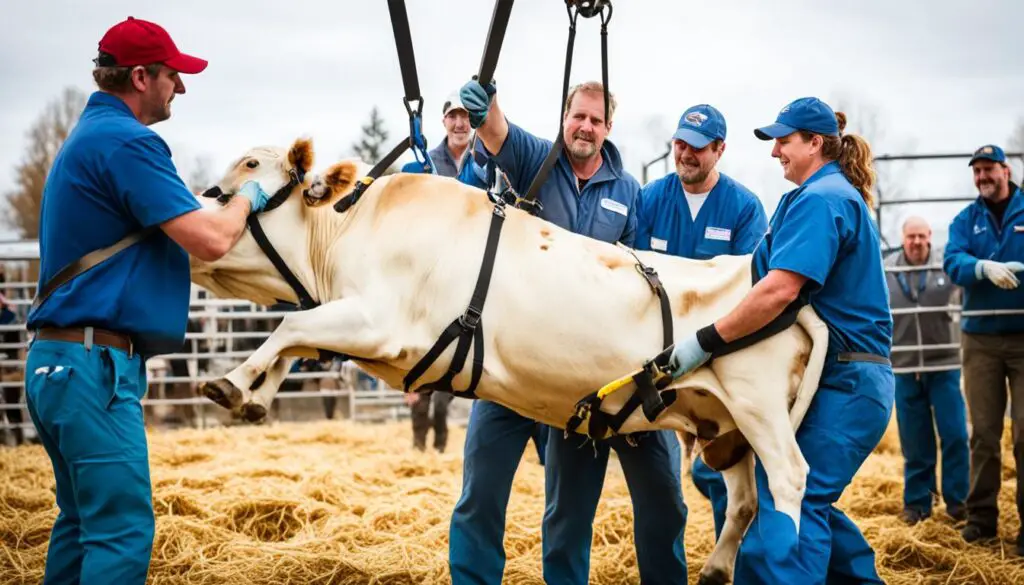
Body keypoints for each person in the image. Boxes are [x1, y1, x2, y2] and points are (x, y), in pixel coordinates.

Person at [24, 17, 272, 585]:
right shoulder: (129, 142)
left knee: (81, 523)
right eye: (172, 75)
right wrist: (246, 201)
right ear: (139, 76)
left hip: (56, 364)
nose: (179, 87)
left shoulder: (87, 137)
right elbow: (210, 239)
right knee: (122, 532)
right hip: (95, 366)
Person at [449, 78, 687, 585]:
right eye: (578, 116)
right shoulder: (538, 159)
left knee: (572, 508)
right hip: (509, 358)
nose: (585, 127)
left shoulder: (627, 191)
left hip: (579, 373)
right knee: (482, 492)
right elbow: (496, 131)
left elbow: (636, 272)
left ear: (608, 128)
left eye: (596, 120)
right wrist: (485, 101)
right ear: (564, 117)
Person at [666, 97, 894, 583]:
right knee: (787, 487)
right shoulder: (813, 196)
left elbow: (779, 290)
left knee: (789, 495)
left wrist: (704, 342)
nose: (774, 153)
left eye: (784, 142)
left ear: (815, 143)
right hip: (835, 375)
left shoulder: (822, 199)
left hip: (846, 379)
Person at [635, 103, 767, 539]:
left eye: (696, 147)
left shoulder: (744, 207)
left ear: (719, 149)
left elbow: (749, 284)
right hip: (660, 352)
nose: (685, 154)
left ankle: (732, 552)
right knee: (661, 469)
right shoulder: (651, 199)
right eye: (679, 144)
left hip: (719, 352)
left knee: (720, 464)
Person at [943, 144, 1024, 553]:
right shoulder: (965, 220)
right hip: (980, 340)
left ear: (1006, 171)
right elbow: (952, 259)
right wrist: (981, 267)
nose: (982, 178)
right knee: (985, 434)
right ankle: (980, 519)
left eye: (988, 170)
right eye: (976, 172)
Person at [885, 216, 968, 525]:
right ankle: (918, 503)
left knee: (955, 434)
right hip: (905, 366)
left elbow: (966, 292)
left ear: (930, 236)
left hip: (943, 364)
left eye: (922, 236)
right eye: (911, 237)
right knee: (915, 440)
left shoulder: (946, 265)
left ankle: (958, 502)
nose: (916, 242)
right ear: (903, 238)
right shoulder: (887, 269)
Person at [401, 91, 472, 176]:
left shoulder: (485, 160)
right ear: (444, 122)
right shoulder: (429, 165)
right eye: (452, 116)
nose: (459, 125)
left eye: (464, 116)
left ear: (474, 120)